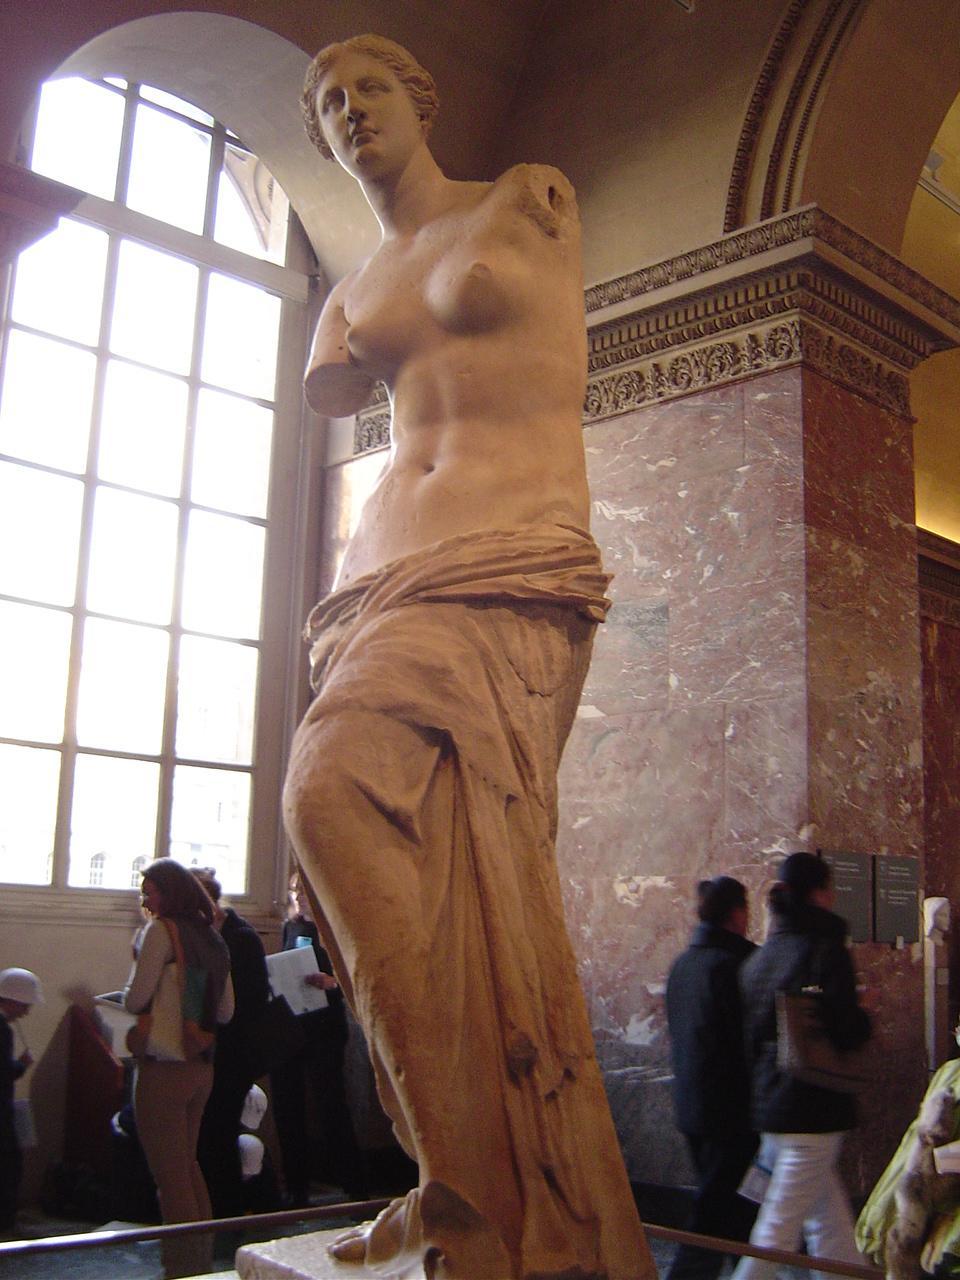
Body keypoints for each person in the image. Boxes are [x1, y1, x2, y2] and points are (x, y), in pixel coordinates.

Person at [282, 32, 653, 1280]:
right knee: (370, 838)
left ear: (422, 100)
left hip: (513, 561)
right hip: (383, 575)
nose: (350, 111)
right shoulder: (349, 296)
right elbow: (345, 398)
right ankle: (462, 1183)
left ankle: (477, 1192)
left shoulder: (525, 200)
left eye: (370, 88)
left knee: (333, 793)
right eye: (329, 103)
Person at [731, 852, 872, 1280]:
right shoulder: (824, 950)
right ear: (821, 893)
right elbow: (845, 1029)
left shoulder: (760, 958)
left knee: (828, 1223)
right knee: (777, 1229)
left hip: (772, 1106)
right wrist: (864, 1013)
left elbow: (751, 1038)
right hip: (813, 1107)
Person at [124, 858, 233, 1280]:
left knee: (170, 1179)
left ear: (170, 893)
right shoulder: (211, 936)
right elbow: (225, 1011)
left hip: (164, 1064)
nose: (145, 899)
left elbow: (136, 999)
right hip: (200, 1063)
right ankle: (202, 1264)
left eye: (150, 891)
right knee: (188, 1167)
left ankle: (182, 1270)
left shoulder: (161, 931)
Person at [665, 877, 757, 1280]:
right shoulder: (739, 965)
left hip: (691, 1106)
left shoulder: (683, 965)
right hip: (731, 1112)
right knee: (713, 1214)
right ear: (737, 914)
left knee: (733, 1211)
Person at [269, 876, 367, 1206]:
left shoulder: (335, 926)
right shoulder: (291, 927)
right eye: (294, 891)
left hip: (325, 1028)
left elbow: (355, 973)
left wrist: (332, 981)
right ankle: (296, 1188)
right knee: (288, 1107)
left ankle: (355, 1187)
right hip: (292, 1026)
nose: (298, 897)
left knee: (331, 1106)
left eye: (303, 891)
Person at [190, 868, 271, 1220]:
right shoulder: (205, 936)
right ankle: (214, 1210)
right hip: (212, 1051)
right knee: (208, 1134)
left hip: (234, 1054)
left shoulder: (241, 938)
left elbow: (250, 1003)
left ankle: (228, 1215)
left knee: (220, 1134)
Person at [0, 967, 42, 1234]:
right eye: (25, 1005)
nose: (26, 1012)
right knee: (8, 1167)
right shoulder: (2, 1030)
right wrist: (22, 1065)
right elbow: (3, 1072)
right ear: (12, 1000)